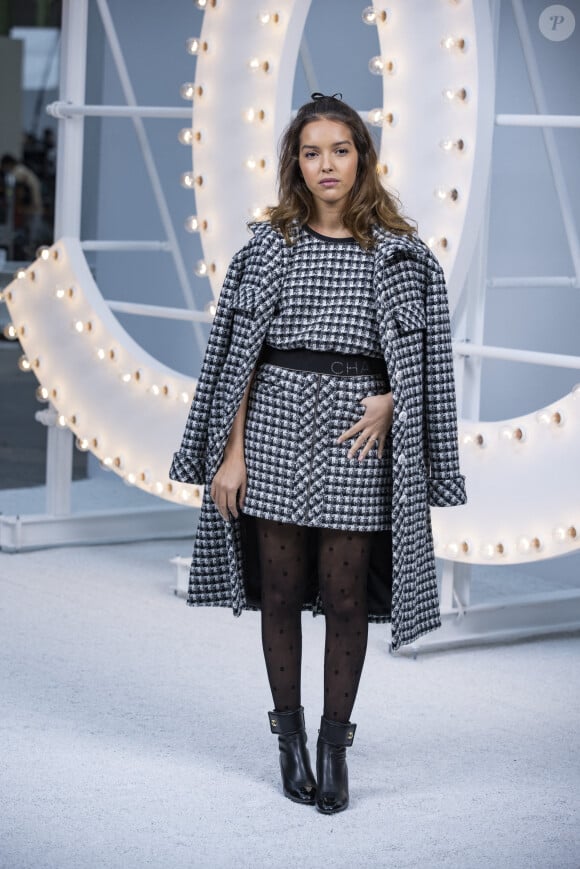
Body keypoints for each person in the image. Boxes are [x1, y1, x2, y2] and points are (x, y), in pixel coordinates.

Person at [170, 93, 467, 814]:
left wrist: (394, 400)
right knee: (277, 592)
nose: (326, 164)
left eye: (339, 149)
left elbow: (428, 358)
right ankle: (289, 736)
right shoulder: (267, 247)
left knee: (342, 598)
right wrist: (229, 453)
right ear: (294, 164)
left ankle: (336, 744)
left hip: (355, 437)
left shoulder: (404, 253)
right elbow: (238, 355)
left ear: (361, 156)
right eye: (312, 152)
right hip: (270, 426)